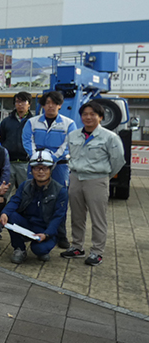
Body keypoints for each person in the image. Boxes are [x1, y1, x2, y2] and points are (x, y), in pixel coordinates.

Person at [61, 101, 126, 266]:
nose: (88, 117)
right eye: (85, 114)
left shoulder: (110, 137)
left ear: (101, 117)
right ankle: (77, 247)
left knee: (98, 218)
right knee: (76, 216)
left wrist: (104, 177)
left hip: (97, 180)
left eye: (92, 114)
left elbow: (118, 161)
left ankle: (97, 252)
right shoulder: (73, 135)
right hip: (76, 178)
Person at [0, 150, 68, 264]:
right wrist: (4, 213)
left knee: (39, 250)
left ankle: (42, 247)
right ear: (31, 170)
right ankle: (19, 249)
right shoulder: (25, 185)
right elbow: (15, 200)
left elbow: (58, 217)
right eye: (37, 168)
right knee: (10, 215)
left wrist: (46, 234)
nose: (41, 172)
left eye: (45, 168)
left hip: (46, 229)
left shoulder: (60, 191)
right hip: (28, 223)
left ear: (50, 170)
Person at [22, 90, 76, 187]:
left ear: (60, 105)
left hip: (60, 165)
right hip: (36, 164)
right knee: (32, 190)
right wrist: (37, 158)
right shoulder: (32, 122)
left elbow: (69, 144)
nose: (50, 106)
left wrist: (53, 158)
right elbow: (27, 141)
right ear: (43, 105)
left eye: (54, 103)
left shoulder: (69, 124)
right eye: (47, 103)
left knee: (60, 192)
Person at [0, 91, 33, 197]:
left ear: (29, 104)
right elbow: (2, 139)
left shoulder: (33, 121)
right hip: (9, 163)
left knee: (26, 192)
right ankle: (2, 212)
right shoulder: (6, 122)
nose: (20, 104)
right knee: (5, 191)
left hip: (25, 163)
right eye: (17, 102)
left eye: (23, 102)